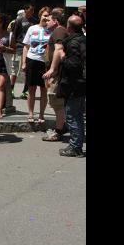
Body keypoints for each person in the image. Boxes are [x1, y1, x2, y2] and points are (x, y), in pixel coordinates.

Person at [45, 15, 86, 157]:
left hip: (74, 84)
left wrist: (62, 55)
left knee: (72, 116)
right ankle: (76, 145)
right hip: (80, 84)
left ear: (69, 27)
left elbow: (73, 64)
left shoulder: (72, 42)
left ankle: (75, 147)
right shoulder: (82, 39)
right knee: (77, 115)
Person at [21, 6, 51, 130]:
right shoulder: (32, 28)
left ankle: (41, 114)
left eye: (48, 16)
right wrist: (24, 62)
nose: (46, 18)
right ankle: (31, 113)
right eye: (44, 15)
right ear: (40, 16)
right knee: (31, 88)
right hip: (32, 59)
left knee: (44, 89)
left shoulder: (52, 30)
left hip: (45, 63)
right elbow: (26, 46)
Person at [41, 10, 69, 142]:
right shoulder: (60, 31)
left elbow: (59, 49)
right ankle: (62, 126)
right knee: (57, 102)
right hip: (58, 72)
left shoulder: (58, 31)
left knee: (57, 102)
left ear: (56, 21)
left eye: (49, 20)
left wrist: (52, 69)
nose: (46, 22)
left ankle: (59, 130)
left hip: (57, 73)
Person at [10, 4, 35, 99]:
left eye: (33, 10)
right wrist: (13, 47)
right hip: (19, 47)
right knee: (15, 70)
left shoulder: (34, 21)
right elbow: (14, 35)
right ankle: (11, 89)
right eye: (30, 10)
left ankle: (25, 91)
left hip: (30, 48)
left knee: (27, 71)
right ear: (25, 10)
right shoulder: (19, 20)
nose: (32, 12)